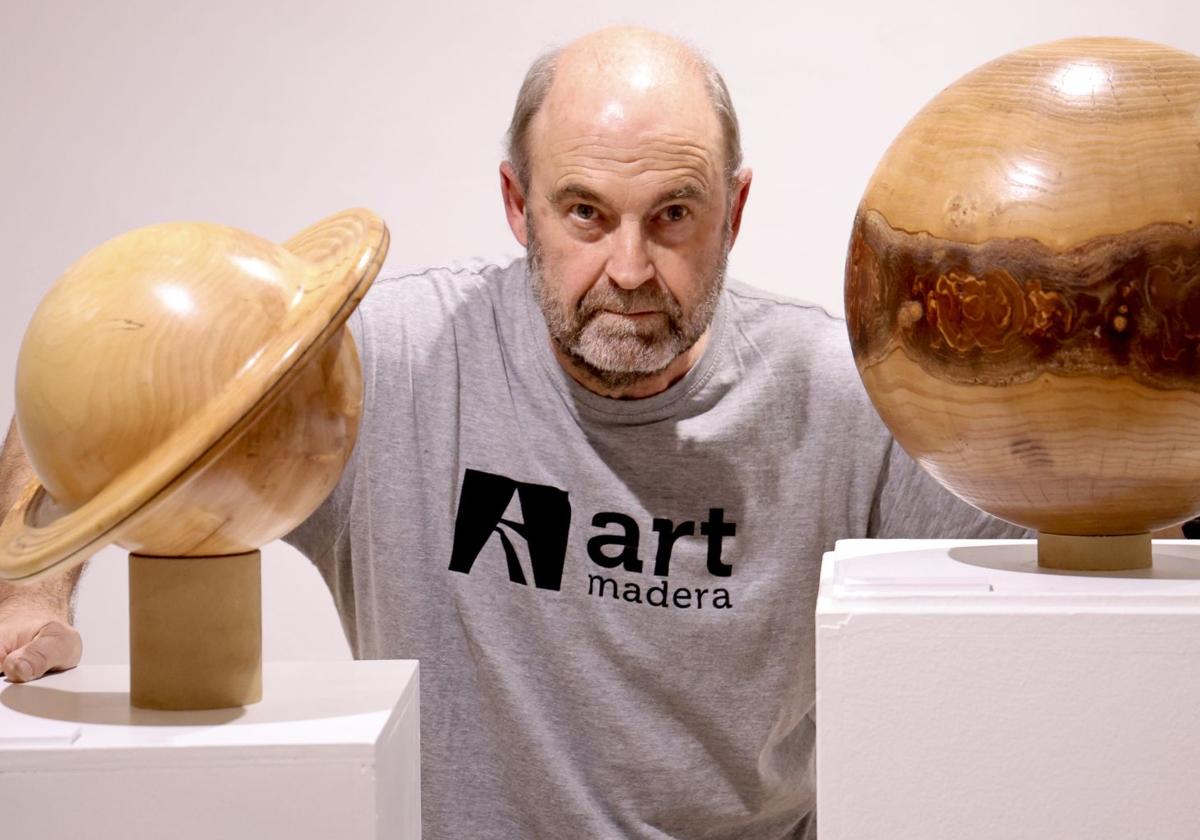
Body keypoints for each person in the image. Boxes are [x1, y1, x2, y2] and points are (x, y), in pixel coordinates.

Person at [1, 27, 1030, 839]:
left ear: (735, 210)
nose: (629, 269)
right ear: (515, 204)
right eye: (584, 212)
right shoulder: (385, 367)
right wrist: (28, 592)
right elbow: (112, 389)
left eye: (673, 215)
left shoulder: (839, 398)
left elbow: (1046, 567)